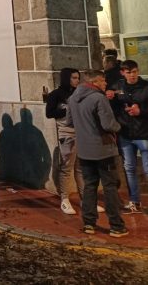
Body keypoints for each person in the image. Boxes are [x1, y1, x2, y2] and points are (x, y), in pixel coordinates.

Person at [66, 69, 128, 236]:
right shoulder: (98, 98)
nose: (105, 83)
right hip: (104, 150)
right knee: (110, 187)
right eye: (102, 80)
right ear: (94, 82)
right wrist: (120, 126)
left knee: (89, 186)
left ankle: (89, 224)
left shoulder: (73, 99)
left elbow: (69, 122)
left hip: (84, 150)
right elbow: (108, 125)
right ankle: (116, 226)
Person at [106, 60, 148, 214]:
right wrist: (110, 97)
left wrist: (141, 111)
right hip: (125, 134)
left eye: (135, 71)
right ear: (123, 72)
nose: (132, 75)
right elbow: (112, 108)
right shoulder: (118, 87)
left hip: (144, 133)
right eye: (129, 72)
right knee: (129, 168)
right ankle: (134, 202)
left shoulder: (145, 86)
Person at [45, 68, 84, 215]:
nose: (77, 80)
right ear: (67, 78)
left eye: (78, 78)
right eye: (74, 77)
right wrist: (68, 110)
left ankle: (85, 199)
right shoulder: (56, 94)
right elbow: (49, 113)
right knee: (67, 167)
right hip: (66, 134)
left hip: (80, 133)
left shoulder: (78, 92)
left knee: (80, 168)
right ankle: (65, 199)